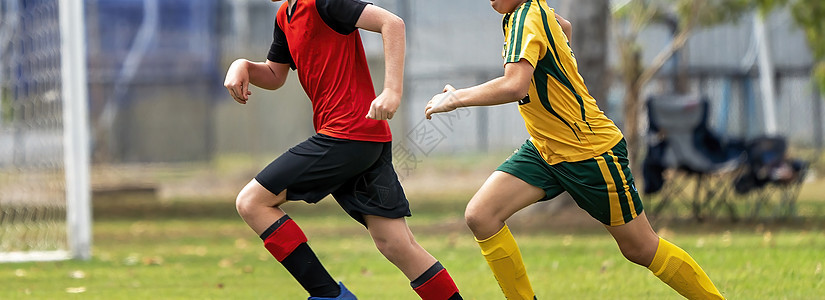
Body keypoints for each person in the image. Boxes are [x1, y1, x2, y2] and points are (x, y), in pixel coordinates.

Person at [424, 0, 725, 299]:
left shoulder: (527, 16)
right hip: (545, 149)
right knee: (481, 214)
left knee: (640, 247)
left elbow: (515, 85)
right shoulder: (526, 14)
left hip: (590, 153)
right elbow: (564, 27)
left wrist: (456, 98)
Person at [223, 0, 462, 299]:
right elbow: (275, 75)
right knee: (396, 244)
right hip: (366, 139)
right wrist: (241, 65)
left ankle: (332, 296)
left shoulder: (325, 2)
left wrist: (391, 91)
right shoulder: (285, 15)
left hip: (348, 135)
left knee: (252, 202)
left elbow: (393, 24)